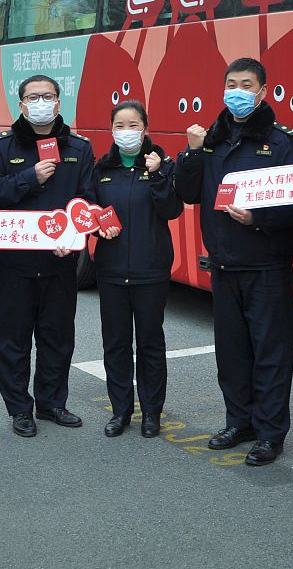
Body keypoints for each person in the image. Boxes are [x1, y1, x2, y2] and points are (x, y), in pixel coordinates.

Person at [174, 57, 293, 466]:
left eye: (246, 85)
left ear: (262, 91)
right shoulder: (211, 138)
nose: (237, 91)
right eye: (231, 84)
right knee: (231, 351)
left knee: (270, 351)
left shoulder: (283, 141)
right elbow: (188, 192)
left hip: (266, 262)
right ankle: (239, 421)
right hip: (223, 261)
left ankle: (270, 432)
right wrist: (193, 153)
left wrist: (258, 218)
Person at [0, 75, 95, 437]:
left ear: (59, 102)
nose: (41, 102)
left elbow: (88, 200)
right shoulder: (0, 145)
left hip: (60, 262)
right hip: (15, 263)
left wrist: (75, 234)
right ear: (22, 104)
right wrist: (29, 177)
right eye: (33, 97)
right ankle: (19, 409)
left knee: (57, 337)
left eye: (48, 96)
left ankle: (51, 403)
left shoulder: (79, 148)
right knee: (13, 339)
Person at [92, 100, 183, 438]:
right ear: (111, 130)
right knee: (115, 344)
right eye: (120, 125)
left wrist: (158, 173)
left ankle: (151, 413)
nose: (127, 132)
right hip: (112, 270)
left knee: (150, 344)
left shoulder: (161, 165)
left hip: (151, 269)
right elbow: (87, 209)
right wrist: (99, 225)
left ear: (145, 129)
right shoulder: (101, 168)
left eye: (134, 125)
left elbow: (172, 209)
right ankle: (120, 411)